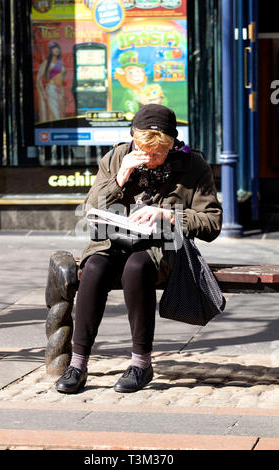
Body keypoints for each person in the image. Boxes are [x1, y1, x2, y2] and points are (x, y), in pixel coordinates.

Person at [55, 104, 223, 394]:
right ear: (134, 139)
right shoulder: (117, 156)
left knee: (137, 267)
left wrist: (170, 216)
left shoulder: (194, 165)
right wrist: (120, 177)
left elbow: (212, 222)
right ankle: (78, 364)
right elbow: (90, 210)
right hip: (112, 241)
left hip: (161, 248)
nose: (153, 160)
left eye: (160, 153)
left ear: (172, 144)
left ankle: (141, 363)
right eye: (146, 152)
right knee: (93, 267)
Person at [36, 42, 66, 122]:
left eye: (58, 48)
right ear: (50, 51)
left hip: (60, 91)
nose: (56, 50)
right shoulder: (46, 63)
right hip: (51, 90)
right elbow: (39, 79)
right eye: (54, 48)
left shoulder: (60, 62)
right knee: (56, 115)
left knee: (61, 114)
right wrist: (43, 93)